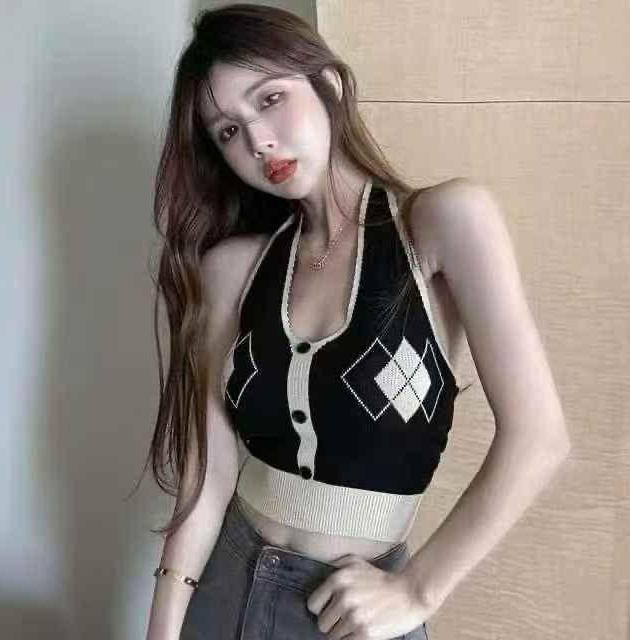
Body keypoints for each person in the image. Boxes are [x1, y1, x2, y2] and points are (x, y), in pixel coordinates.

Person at [138, 4, 571, 640]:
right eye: (228, 131)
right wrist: (163, 627)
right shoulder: (232, 269)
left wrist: (417, 590)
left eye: (270, 99)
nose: (258, 141)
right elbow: (208, 478)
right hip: (226, 592)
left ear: (331, 84)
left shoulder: (442, 224)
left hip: (354, 615)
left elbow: (540, 436)